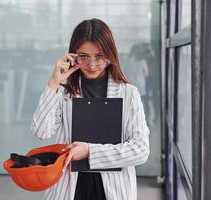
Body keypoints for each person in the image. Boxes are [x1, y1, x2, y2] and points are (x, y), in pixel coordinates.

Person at [30, 18, 150, 200]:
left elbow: (140, 150)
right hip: (70, 187)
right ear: (73, 55)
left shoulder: (128, 93)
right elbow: (41, 131)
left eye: (99, 56)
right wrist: (54, 83)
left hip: (113, 189)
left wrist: (90, 152)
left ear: (110, 55)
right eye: (84, 56)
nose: (92, 64)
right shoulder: (63, 92)